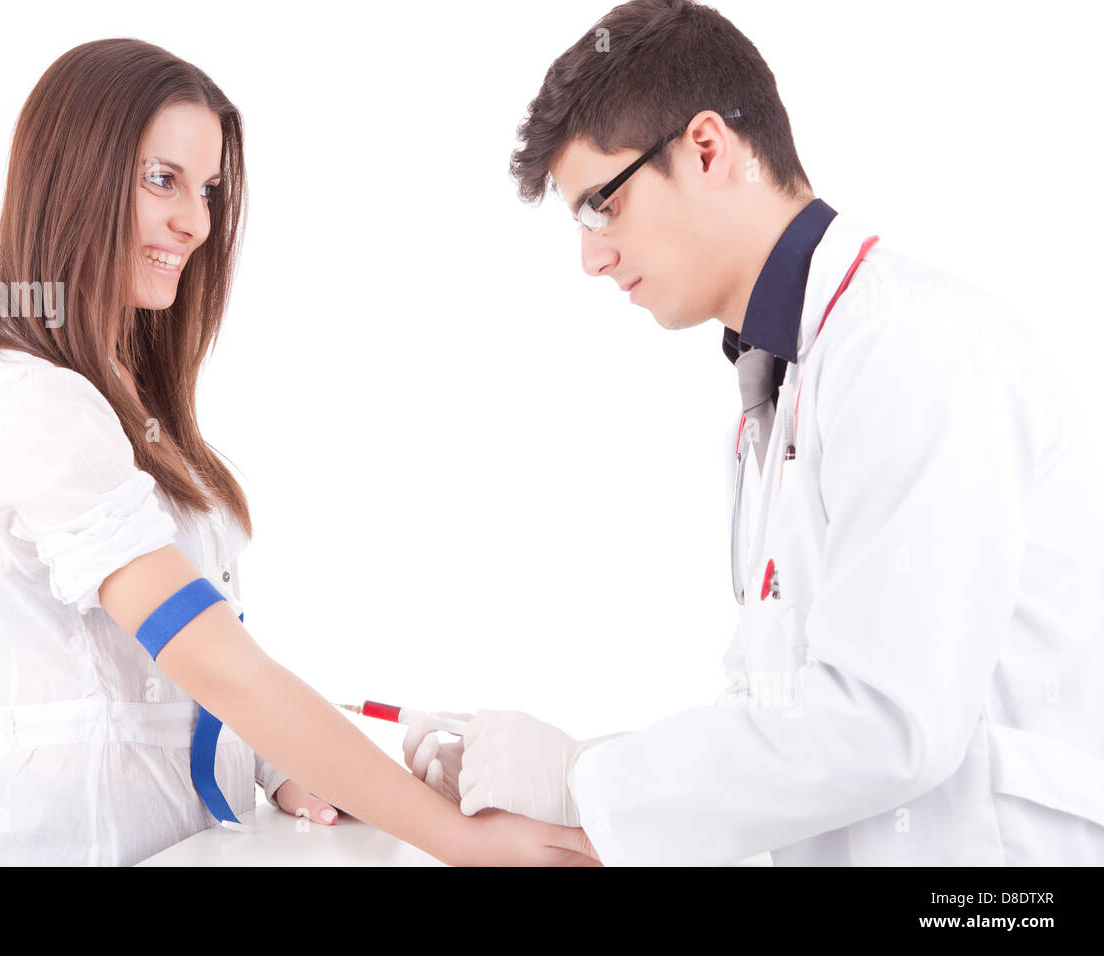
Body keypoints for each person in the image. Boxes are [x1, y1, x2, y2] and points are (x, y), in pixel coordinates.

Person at [403, 0, 1104, 865]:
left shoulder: (909, 349)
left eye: (600, 207)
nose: (590, 257)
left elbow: (888, 726)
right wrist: (558, 788)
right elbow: (781, 716)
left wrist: (588, 777)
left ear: (706, 148)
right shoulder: (784, 382)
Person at [0, 37, 598, 867]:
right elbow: (219, 670)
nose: (197, 222)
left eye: (208, 188)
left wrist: (280, 762)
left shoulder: (111, 394)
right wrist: (462, 842)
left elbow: (178, 687)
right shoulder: (36, 406)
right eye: (161, 179)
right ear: (72, 176)